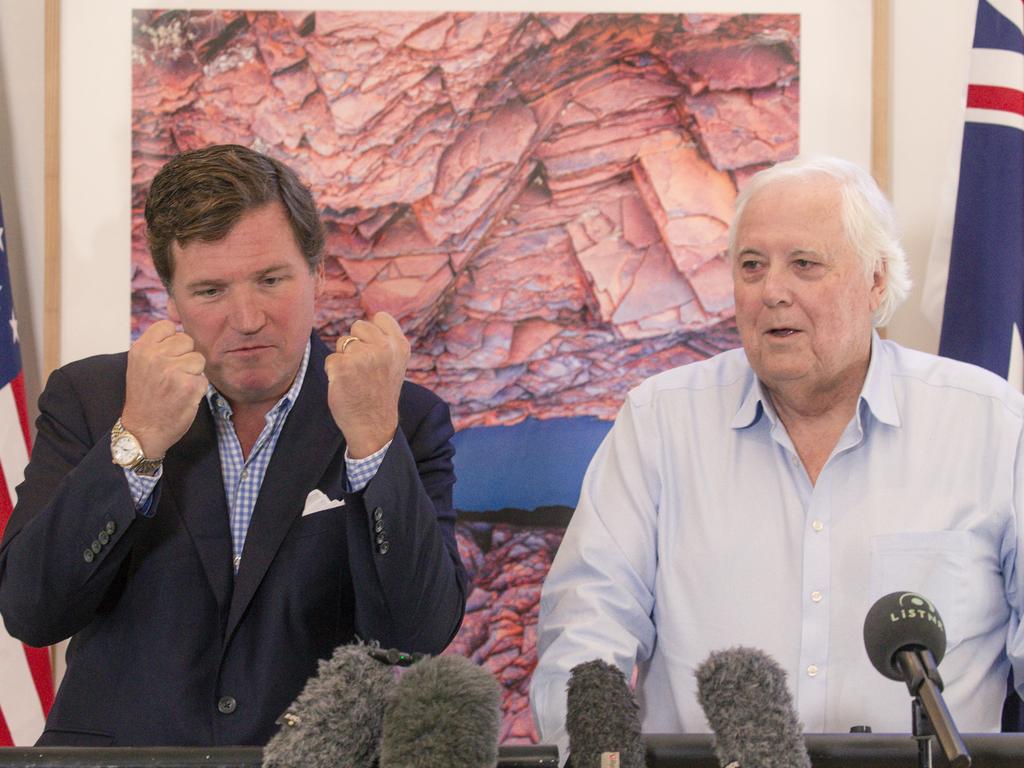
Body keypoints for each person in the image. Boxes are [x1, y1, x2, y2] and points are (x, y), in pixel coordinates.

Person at [530, 156, 1024, 750]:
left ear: (876, 280)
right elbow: (585, 629)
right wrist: (592, 755)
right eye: (752, 266)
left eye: (804, 265)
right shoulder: (661, 422)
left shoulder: (988, 424)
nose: (772, 293)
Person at [0, 144, 467, 746]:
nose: (247, 318)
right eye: (211, 291)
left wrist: (373, 441)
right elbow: (33, 612)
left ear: (318, 273)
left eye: (271, 280)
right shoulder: (92, 399)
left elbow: (417, 634)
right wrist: (136, 442)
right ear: (170, 299)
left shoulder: (401, 415)